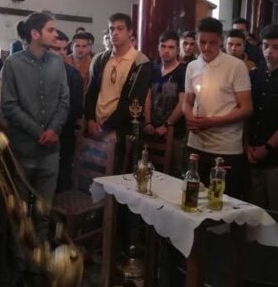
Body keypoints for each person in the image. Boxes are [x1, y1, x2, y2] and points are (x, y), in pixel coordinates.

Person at [1, 12, 69, 275]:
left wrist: (53, 130)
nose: (55, 34)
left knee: (43, 212)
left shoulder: (57, 63)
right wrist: (39, 131)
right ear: (35, 34)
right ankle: (19, 267)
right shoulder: (13, 64)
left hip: (50, 152)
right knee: (19, 214)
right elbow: (9, 105)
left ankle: (38, 265)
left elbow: (64, 101)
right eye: (51, 30)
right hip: (23, 151)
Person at [184, 17, 253, 198]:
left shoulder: (235, 66)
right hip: (196, 143)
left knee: (220, 200)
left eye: (212, 42)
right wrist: (190, 118)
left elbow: (246, 108)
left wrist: (212, 122)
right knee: (193, 197)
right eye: (202, 42)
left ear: (221, 40)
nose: (206, 47)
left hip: (225, 146)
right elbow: (188, 101)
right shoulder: (192, 66)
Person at [84, 13, 152, 172]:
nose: (114, 33)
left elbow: (134, 102)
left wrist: (105, 127)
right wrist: (90, 120)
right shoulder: (100, 59)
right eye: (111, 29)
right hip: (96, 126)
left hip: (120, 129)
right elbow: (91, 92)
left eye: (120, 29)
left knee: (115, 176)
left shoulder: (140, 62)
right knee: (92, 176)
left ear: (130, 32)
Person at [247, 24, 278, 214]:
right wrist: (247, 145)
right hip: (251, 153)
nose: (269, 52)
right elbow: (247, 113)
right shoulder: (254, 75)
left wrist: (267, 148)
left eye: (276, 47)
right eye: (266, 46)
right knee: (252, 211)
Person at [143, 31, 186, 173]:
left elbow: (183, 102)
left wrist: (167, 125)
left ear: (178, 50)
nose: (166, 51)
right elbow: (148, 97)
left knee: (174, 172)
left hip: (174, 131)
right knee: (149, 170)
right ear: (158, 48)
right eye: (163, 46)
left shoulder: (183, 71)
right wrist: (148, 122)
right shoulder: (154, 69)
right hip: (152, 129)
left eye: (171, 47)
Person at [51, 30, 83, 192]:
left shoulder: (73, 75)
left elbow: (75, 108)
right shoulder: (40, 70)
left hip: (64, 130)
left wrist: (56, 125)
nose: (62, 53)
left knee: (63, 173)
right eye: (58, 49)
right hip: (41, 129)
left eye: (65, 49)